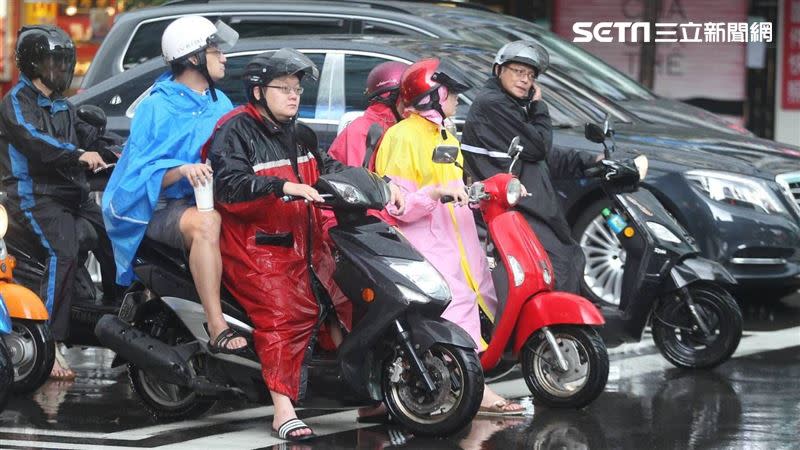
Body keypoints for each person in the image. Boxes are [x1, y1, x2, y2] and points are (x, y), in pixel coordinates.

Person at [204, 48, 400, 442]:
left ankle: (365, 394)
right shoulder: (234, 131)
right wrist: (282, 186)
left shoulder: (300, 132)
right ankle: (282, 410)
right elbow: (228, 187)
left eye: (297, 88)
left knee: (345, 302)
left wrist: (378, 185)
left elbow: (330, 169)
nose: (294, 96)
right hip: (259, 248)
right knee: (286, 315)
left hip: (309, 245)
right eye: (285, 88)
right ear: (258, 92)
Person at [374, 58, 524, 416]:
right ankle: (476, 391)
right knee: (455, 309)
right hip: (429, 245)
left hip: (459, 242)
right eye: (451, 93)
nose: (456, 100)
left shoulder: (444, 133)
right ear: (432, 95)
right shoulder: (402, 137)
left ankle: (467, 384)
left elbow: (455, 187)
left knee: (473, 301)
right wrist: (436, 193)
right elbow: (397, 205)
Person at [102, 16, 248, 354]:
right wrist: (181, 170)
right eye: (216, 51)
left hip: (205, 199)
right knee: (206, 224)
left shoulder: (219, 102)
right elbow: (137, 173)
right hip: (158, 207)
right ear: (194, 57)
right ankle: (216, 324)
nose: (224, 57)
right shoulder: (156, 106)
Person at [0, 25, 118, 380]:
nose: (61, 70)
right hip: (32, 196)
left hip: (71, 195)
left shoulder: (63, 105)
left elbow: (86, 134)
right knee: (62, 252)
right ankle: (50, 344)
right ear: (34, 65)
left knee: (117, 237)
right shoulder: (15, 104)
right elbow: (35, 142)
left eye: (64, 62)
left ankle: (121, 321)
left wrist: (115, 149)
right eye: (54, 62)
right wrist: (80, 154)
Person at [461, 41, 600, 294]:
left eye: (530, 75)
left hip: (524, 206)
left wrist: (589, 161)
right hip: (508, 207)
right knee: (556, 264)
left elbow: (536, 156)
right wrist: (539, 107)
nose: (525, 79)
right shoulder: (494, 103)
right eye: (518, 71)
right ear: (498, 70)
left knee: (566, 258)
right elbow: (538, 147)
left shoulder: (510, 105)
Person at [328, 61, 408, 167]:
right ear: (391, 97)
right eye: (405, 96)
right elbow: (359, 179)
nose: (411, 103)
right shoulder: (362, 131)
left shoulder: (399, 129)